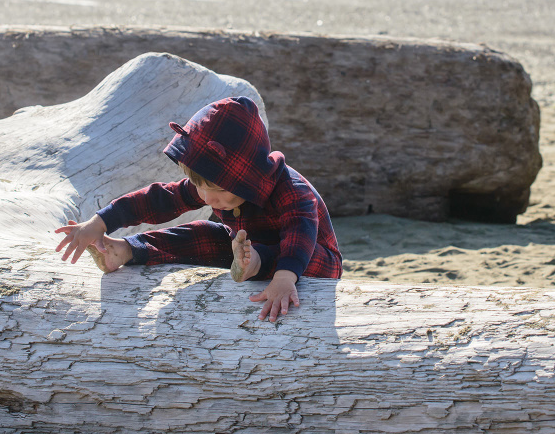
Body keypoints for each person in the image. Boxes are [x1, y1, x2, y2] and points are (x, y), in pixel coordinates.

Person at [54, 96, 342, 321]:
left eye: (217, 189)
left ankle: (254, 262)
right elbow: (157, 199)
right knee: (202, 232)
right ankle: (126, 250)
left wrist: (284, 276)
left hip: (311, 260)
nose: (206, 196)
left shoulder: (292, 191)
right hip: (243, 246)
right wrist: (99, 222)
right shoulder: (211, 187)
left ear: (246, 178)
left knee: (288, 248)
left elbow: (300, 232)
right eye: (200, 186)